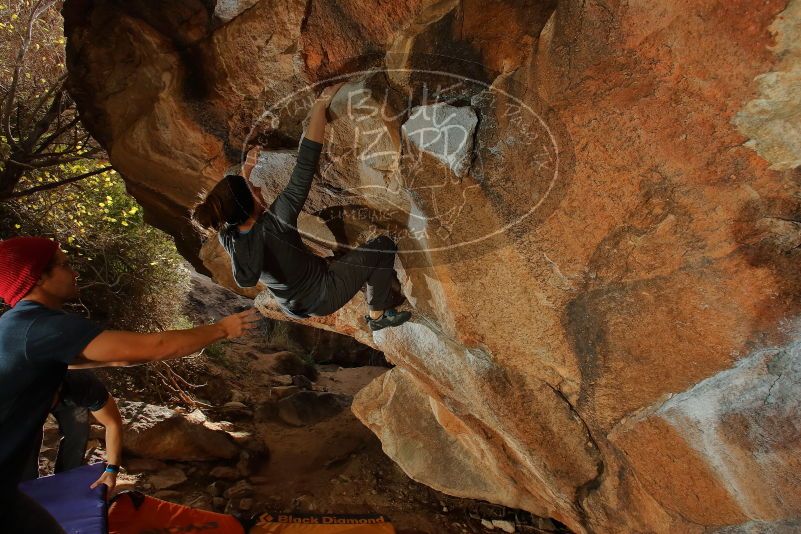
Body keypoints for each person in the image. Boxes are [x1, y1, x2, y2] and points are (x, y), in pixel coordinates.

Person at [0, 236, 260, 533]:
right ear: (37, 277)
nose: (74, 272)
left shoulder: (16, 326)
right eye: (65, 264)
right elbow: (156, 345)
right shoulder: (42, 327)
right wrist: (222, 329)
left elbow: (117, 359)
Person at [192, 83, 411, 332]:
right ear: (246, 204)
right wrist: (320, 105)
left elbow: (233, 206)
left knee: (345, 257)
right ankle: (378, 314)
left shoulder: (229, 235)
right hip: (323, 295)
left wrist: (246, 172)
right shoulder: (277, 220)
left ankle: (360, 279)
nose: (260, 189)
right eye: (254, 190)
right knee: (383, 247)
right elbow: (305, 164)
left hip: (294, 304)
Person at [22, 370, 124, 493]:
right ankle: (26, 487)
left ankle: (65, 486)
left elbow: (113, 423)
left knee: (78, 434)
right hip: (21, 402)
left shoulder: (83, 385)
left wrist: (112, 470)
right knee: (26, 438)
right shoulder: (10, 386)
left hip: (70, 398)